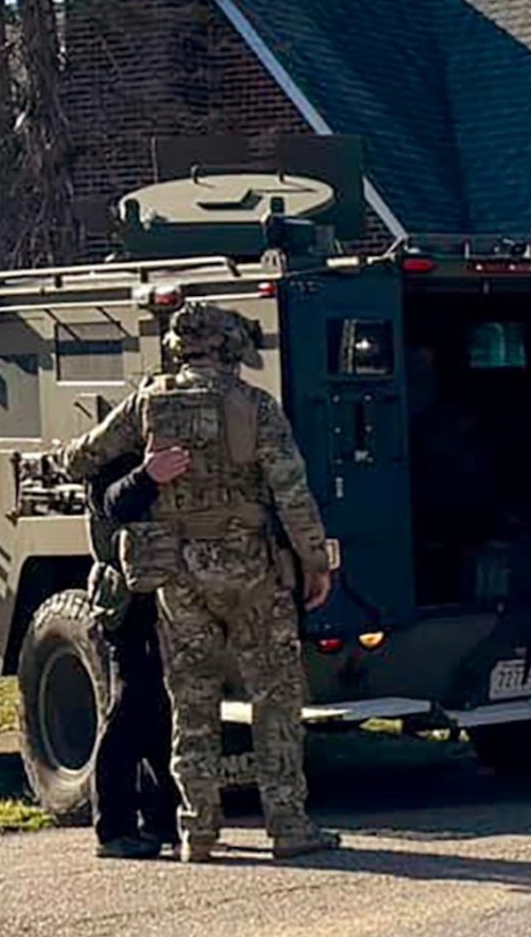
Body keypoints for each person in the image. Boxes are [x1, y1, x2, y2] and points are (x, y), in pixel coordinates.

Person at [58, 301, 338, 861]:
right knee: (275, 699)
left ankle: (198, 830)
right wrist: (316, 562)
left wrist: (140, 471)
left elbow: (81, 459)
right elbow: (292, 493)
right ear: (232, 348)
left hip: (179, 576)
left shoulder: (148, 403)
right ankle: (287, 826)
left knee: (192, 704)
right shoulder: (257, 407)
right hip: (252, 571)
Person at [82, 456, 184, 862]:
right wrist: (147, 476)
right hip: (128, 602)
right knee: (127, 711)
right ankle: (114, 827)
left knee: (161, 712)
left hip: (163, 598)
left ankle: (162, 820)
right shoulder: (113, 454)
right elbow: (110, 504)